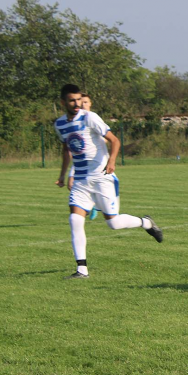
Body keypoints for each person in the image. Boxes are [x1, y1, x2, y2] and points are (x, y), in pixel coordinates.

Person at [55, 84, 163, 279]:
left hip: (102, 177)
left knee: (113, 223)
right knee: (74, 220)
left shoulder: (90, 117)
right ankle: (82, 270)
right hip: (80, 179)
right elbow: (66, 150)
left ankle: (146, 223)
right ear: (63, 102)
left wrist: (111, 161)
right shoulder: (60, 124)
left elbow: (114, 140)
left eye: (79, 99)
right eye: (72, 100)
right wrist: (63, 175)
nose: (77, 103)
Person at [67, 92, 99, 221]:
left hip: (98, 165)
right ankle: (87, 207)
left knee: (113, 221)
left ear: (90, 104)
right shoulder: (76, 122)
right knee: (72, 185)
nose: (82, 104)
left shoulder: (93, 119)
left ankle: (94, 206)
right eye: (82, 102)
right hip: (81, 165)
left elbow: (108, 139)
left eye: (86, 102)